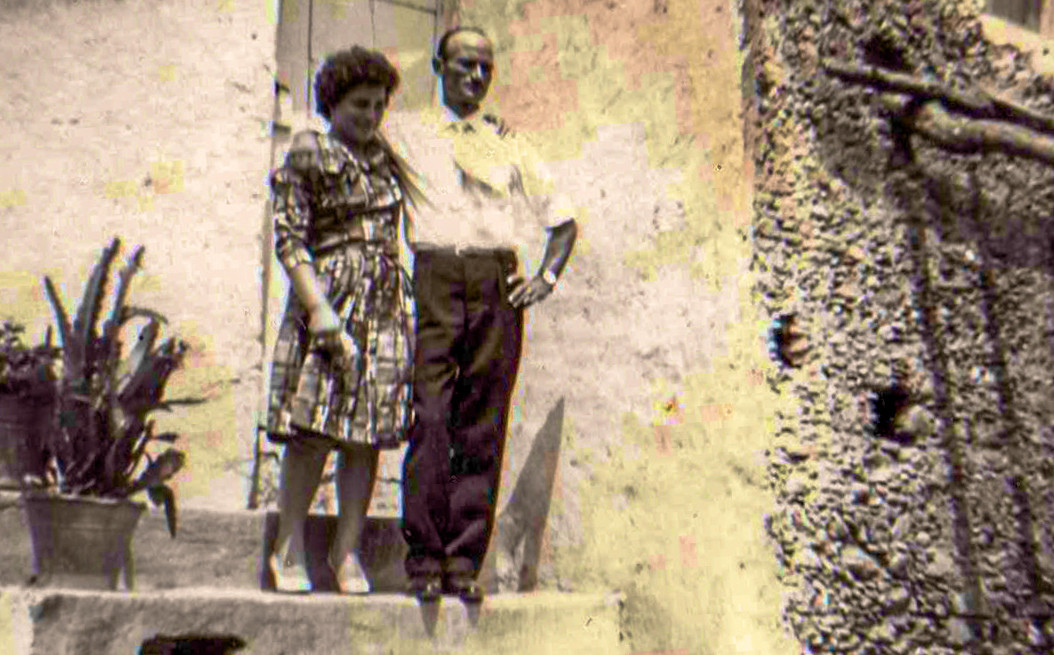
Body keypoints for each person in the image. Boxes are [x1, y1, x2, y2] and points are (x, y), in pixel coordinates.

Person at [385, 26, 578, 603]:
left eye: (485, 68)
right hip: (437, 278)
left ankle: (463, 562)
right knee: (431, 417)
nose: (475, 76)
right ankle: (424, 560)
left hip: (496, 283)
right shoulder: (405, 132)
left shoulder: (509, 143)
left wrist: (544, 278)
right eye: (465, 64)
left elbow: (563, 220)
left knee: (482, 423)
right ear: (438, 66)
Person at [264, 46, 420, 594]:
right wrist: (318, 309)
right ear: (332, 103)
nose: (371, 116)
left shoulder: (387, 158)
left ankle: (346, 550)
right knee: (313, 430)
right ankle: (287, 547)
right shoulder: (310, 153)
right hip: (330, 298)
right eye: (359, 105)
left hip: (384, 304)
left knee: (366, 436)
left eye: (379, 105)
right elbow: (289, 237)